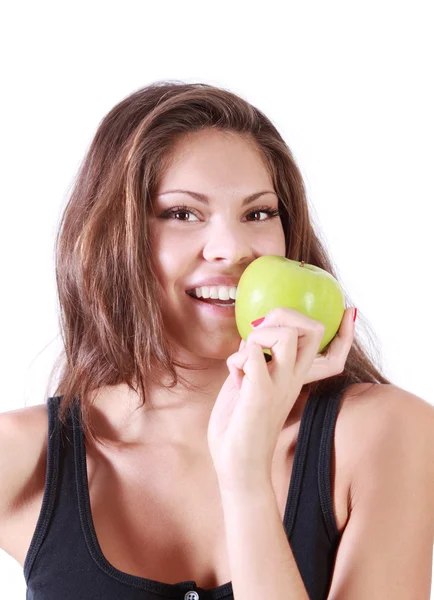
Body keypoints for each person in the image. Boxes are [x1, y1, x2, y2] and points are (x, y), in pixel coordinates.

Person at [0, 81, 433, 600]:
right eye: (182, 214)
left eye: (258, 213)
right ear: (112, 237)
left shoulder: (385, 434)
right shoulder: (25, 459)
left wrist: (245, 475)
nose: (232, 249)